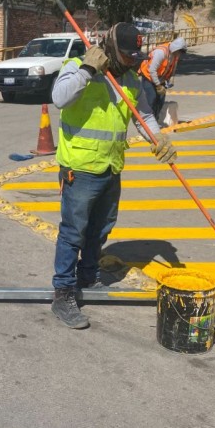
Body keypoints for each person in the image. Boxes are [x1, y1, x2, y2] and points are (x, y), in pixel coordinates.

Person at [50, 22, 178, 329]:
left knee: (101, 227)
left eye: (136, 55)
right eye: (127, 55)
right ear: (110, 47)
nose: (133, 60)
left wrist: (157, 138)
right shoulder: (76, 67)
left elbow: (143, 114)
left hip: (110, 166)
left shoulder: (131, 78)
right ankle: (63, 293)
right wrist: (87, 70)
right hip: (80, 168)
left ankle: (89, 275)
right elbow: (60, 98)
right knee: (73, 232)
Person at [139, 37, 187, 120]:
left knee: (160, 100)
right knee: (151, 99)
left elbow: (173, 66)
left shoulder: (175, 54)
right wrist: (158, 85)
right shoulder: (161, 52)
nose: (179, 55)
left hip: (160, 78)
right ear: (175, 49)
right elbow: (152, 70)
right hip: (148, 76)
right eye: (179, 52)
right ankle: (146, 121)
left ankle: (155, 120)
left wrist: (171, 77)